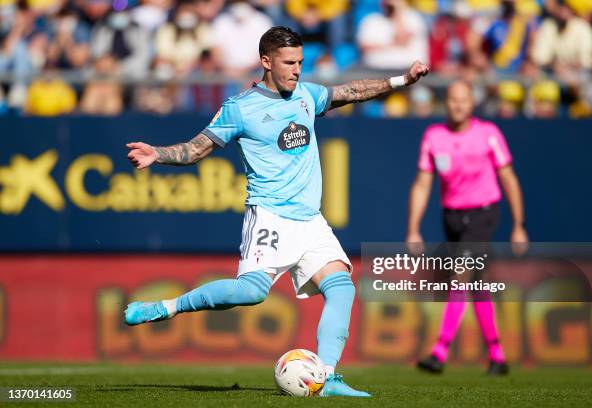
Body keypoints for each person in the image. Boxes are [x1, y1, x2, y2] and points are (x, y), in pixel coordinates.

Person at [124, 26, 429, 397]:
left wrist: (402, 80)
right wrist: (159, 153)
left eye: (300, 62)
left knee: (342, 289)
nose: (297, 70)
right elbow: (198, 148)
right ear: (266, 62)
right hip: (270, 216)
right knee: (250, 293)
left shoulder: (306, 95)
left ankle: (327, 377)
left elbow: (351, 92)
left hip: (311, 221)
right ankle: (167, 307)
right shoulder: (240, 108)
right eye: (289, 63)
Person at [406, 80, 528, 375]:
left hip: (483, 213)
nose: (458, 105)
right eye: (452, 100)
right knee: (477, 283)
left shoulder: (488, 134)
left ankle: (440, 351)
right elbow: (423, 184)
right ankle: (497, 355)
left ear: (473, 103)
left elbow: (509, 178)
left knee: (461, 274)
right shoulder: (434, 137)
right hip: (452, 217)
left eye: (464, 100)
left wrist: (519, 225)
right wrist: (413, 228)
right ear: (445, 103)